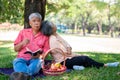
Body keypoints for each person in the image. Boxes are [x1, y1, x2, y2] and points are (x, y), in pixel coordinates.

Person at [41, 20, 120, 70]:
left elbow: (65, 43)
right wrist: (78, 55)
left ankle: (74, 66)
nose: (55, 24)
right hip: (63, 61)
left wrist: (69, 47)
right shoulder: (53, 39)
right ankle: (105, 65)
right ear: (50, 28)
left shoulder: (56, 35)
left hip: (67, 59)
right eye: (53, 24)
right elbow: (66, 53)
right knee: (84, 58)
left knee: (83, 59)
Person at [12, 13, 49, 79]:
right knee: (17, 62)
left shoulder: (45, 36)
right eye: (34, 21)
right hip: (21, 58)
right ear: (30, 23)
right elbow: (15, 49)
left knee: (39, 62)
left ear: (41, 22)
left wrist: (40, 56)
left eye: (38, 21)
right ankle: (28, 75)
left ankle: (22, 75)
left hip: (36, 59)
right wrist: (22, 43)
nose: (36, 23)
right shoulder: (23, 32)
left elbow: (46, 52)